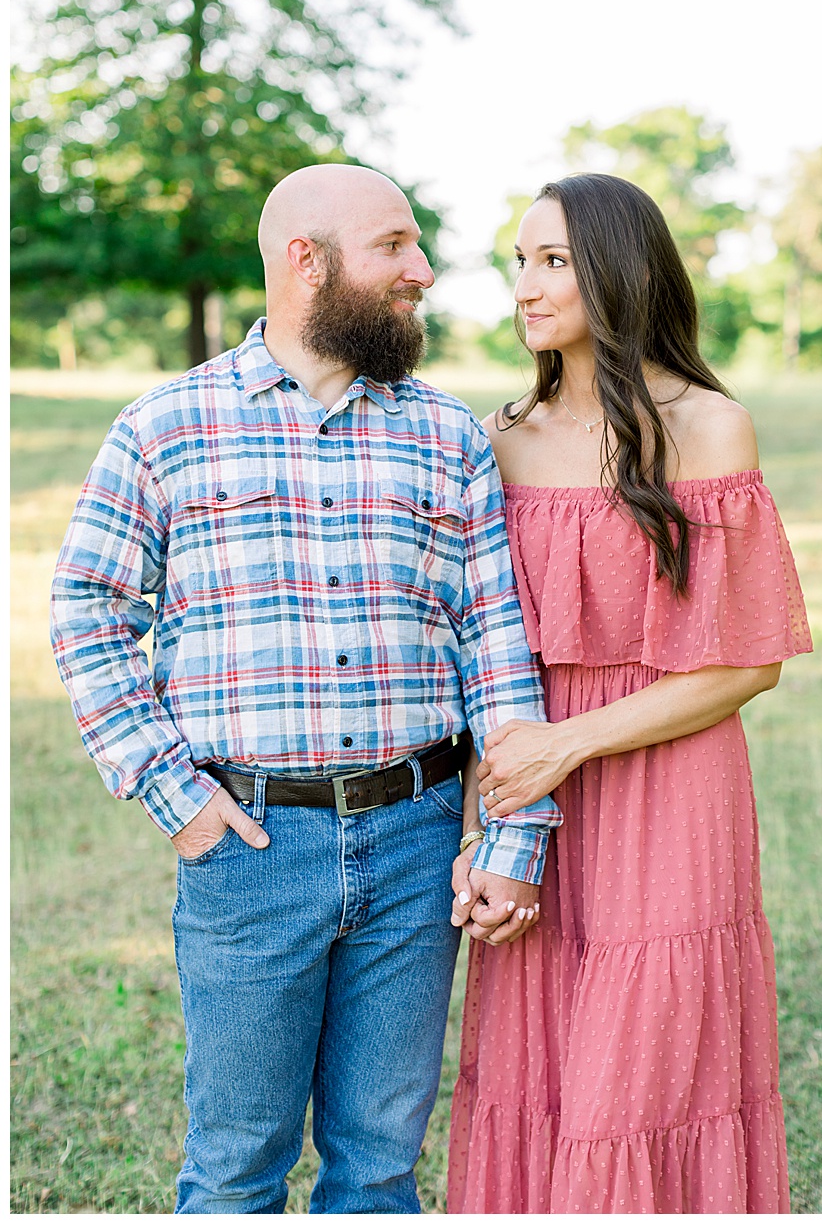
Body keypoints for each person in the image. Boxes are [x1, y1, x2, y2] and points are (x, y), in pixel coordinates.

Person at [48, 163, 560, 1212]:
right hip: (250, 850)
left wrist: (514, 835)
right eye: (395, 247)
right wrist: (176, 796)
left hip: (419, 845)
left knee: (378, 1168)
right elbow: (88, 613)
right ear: (306, 260)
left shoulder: (447, 435)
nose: (423, 271)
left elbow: (496, 647)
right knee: (237, 1168)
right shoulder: (165, 428)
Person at [443, 173, 811, 1213]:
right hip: (532, 789)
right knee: (539, 1062)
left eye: (553, 260)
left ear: (620, 269)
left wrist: (571, 745)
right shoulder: (499, 437)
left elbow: (748, 661)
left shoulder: (708, 427)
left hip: (670, 785)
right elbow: (486, 650)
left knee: (647, 1072)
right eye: (518, 260)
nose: (525, 284)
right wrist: (491, 811)